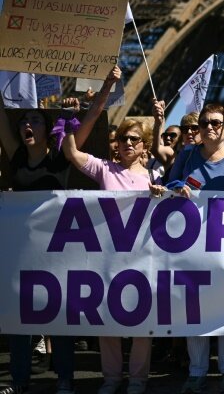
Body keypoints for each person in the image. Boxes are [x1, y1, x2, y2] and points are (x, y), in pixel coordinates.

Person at [0, 67, 124, 394]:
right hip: (23, 251)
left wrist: (108, 83)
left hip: (57, 250)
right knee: (19, 317)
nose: (28, 124)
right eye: (24, 120)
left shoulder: (59, 160)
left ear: (46, 128)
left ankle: (65, 377)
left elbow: (93, 115)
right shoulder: (16, 158)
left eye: (36, 120)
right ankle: (20, 379)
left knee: (60, 316)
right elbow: (1, 117)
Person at [152, 103, 224, 394]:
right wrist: (178, 187)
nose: (209, 127)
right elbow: (170, 182)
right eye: (204, 123)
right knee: (195, 309)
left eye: (216, 123)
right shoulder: (189, 154)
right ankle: (197, 371)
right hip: (192, 249)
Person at [62, 113, 160, 394]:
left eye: (134, 139)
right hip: (108, 258)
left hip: (142, 258)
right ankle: (112, 378)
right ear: (116, 144)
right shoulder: (104, 169)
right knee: (108, 318)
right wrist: (70, 123)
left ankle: (138, 379)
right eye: (122, 139)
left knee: (143, 321)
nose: (128, 143)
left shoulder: (155, 176)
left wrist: (161, 194)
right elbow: (71, 153)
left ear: (144, 146)